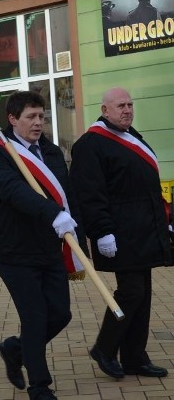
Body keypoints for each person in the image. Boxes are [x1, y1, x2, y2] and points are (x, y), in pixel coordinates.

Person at [0, 91, 86, 400]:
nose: (38, 122)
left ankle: (15, 349)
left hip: (49, 249)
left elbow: (67, 195)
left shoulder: (51, 152)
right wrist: (53, 214)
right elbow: (13, 191)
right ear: (13, 120)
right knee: (35, 317)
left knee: (60, 314)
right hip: (15, 253)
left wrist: (76, 228)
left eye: (41, 116)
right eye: (31, 116)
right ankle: (40, 386)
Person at [70, 87, 172, 379]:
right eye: (120, 106)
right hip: (120, 234)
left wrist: (165, 219)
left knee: (143, 295)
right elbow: (89, 193)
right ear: (104, 111)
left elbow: (145, 186)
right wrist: (101, 232)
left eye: (129, 104)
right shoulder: (91, 144)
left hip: (143, 230)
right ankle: (104, 347)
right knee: (131, 293)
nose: (127, 110)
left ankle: (134, 358)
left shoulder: (132, 136)